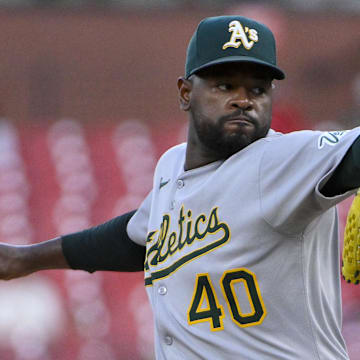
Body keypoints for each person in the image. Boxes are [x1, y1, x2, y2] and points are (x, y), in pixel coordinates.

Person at [0, 15, 359, 360]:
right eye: (225, 85)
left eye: (258, 89)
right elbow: (136, 237)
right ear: (185, 92)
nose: (244, 99)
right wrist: (26, 258)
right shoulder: (171, 167)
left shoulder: (284, 161)